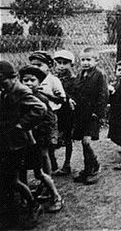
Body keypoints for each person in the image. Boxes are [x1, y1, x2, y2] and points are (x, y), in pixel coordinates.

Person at [0, 61, 47, 228]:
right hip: (6, 141)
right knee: (8, 178)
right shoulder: (6, 90)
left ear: (13, 78)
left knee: (13, 180)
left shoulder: (20, 91)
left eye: (3, 82)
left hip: (16, 143)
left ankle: (34, 205)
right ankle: (13, 206)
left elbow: (40, 109)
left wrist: (22, 124)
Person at [19, 65, 64, 213]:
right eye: (25, 80)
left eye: (33, 80)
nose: (29, 83)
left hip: (38, 139)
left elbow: (50, 119)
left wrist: (47, 134)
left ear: (39, 83)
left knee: (39, 171)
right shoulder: (20, 98)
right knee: (22, 170)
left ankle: (55, 195)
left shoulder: (41, 99)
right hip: (23, 140)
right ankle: (25, 199)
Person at [72, 47, 109, 185]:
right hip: (81, 114)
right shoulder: (80, 74)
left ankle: (95, 166)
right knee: (82, 142)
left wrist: (98, 113)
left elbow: (103, 95)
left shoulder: (100, 75)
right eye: (83, 60)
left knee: (87, 141)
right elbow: (76, 90)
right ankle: (88, 168)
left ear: (96, 60)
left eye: (89, 59)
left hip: (92, 114)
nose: (85, 62)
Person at [29, 51, 66, 173]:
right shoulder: (30, 80)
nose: (35, 68)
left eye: (39, 65)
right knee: (38, 148)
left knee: (47, 147)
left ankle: (48, 175)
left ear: (49, 66)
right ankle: (48, 171)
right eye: (32, 65)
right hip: (34, 117)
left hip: (49, 116)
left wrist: (46, 94)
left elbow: (61, 99)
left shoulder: (53, 80)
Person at [53, 50, 76, 176]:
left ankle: (67, 164)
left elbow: (75, 96)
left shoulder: (74, 80)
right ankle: (53, 163)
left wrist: (68, 98)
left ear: (71, 65)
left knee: (67, 138)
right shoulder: (54, 79)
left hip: (67, 112)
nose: (61, 66)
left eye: (65, 63)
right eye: (59, 63)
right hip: (55, 111)